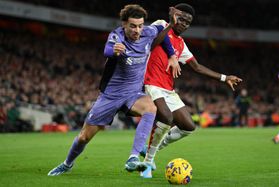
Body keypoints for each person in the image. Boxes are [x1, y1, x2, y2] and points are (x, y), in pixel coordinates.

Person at [48, 4, 182, 176]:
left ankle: (133, 157)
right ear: (124, 24)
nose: (137, 30)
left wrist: (171, 52)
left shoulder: (148, 32)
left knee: (151, 107)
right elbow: (108, 50)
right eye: (133, 26)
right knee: (84, 137)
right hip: (110, 96)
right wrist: (115, 50)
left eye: (140, 25)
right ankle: (67, 164)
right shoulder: (117, 35)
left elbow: (162, 34)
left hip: (133, 94)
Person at [140, 3, 242, 177]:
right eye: (182, 19)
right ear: (174, 15)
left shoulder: (181, 43)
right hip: (150, 83)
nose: (184, 24)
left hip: (167, 89)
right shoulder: (161, 25)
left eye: (188, 22)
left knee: (188, 126)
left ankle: (151, 148)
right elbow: (151, 44)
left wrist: (225, 78)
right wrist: (171, 24)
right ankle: (147, 163)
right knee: (166, 116)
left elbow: (197, 67)